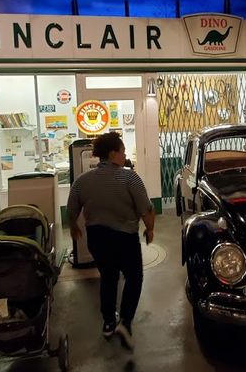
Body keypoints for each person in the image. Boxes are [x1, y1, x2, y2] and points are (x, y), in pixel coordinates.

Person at [67, 132, 155, 350]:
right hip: (125, 238)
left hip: (97, 237)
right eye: (123, 151)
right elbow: (146, 208)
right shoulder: (130, 177)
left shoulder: (82, 181)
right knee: (134, 277)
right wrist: (150, 228)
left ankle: (108, 322)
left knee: (108, 277)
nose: (125, 155)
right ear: (113, 153)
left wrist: (74, 226)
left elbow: (72, 206)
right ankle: (125, 321)